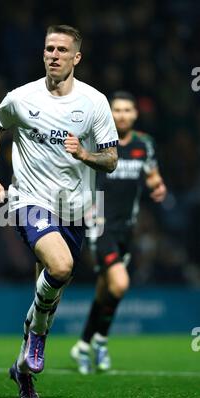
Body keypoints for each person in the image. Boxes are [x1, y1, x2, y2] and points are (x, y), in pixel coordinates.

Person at [0, 25, 119, 398]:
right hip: (28, 200)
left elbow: (110, 160)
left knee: (49, 293)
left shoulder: (94, 103)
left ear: (76, 58)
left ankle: (23, 368)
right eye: (49, 49)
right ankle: (37, 339)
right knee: (60, 267)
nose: (54, 55)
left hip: (73, 211)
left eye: (62, 50)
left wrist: (85, 155)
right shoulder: (20, 98)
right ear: (43, 53)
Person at [71, 91, 167, 374]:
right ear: (110, 114)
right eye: (118, 110)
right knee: (120, 284)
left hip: (127, 228)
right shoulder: (99, 143)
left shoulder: (144, 145)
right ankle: (101, 340)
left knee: (106, 290)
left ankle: (84, 345)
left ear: (135, 114)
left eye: (128, 110)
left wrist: (158, 186)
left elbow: (152, 174)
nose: (122, 114)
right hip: (100, 226)